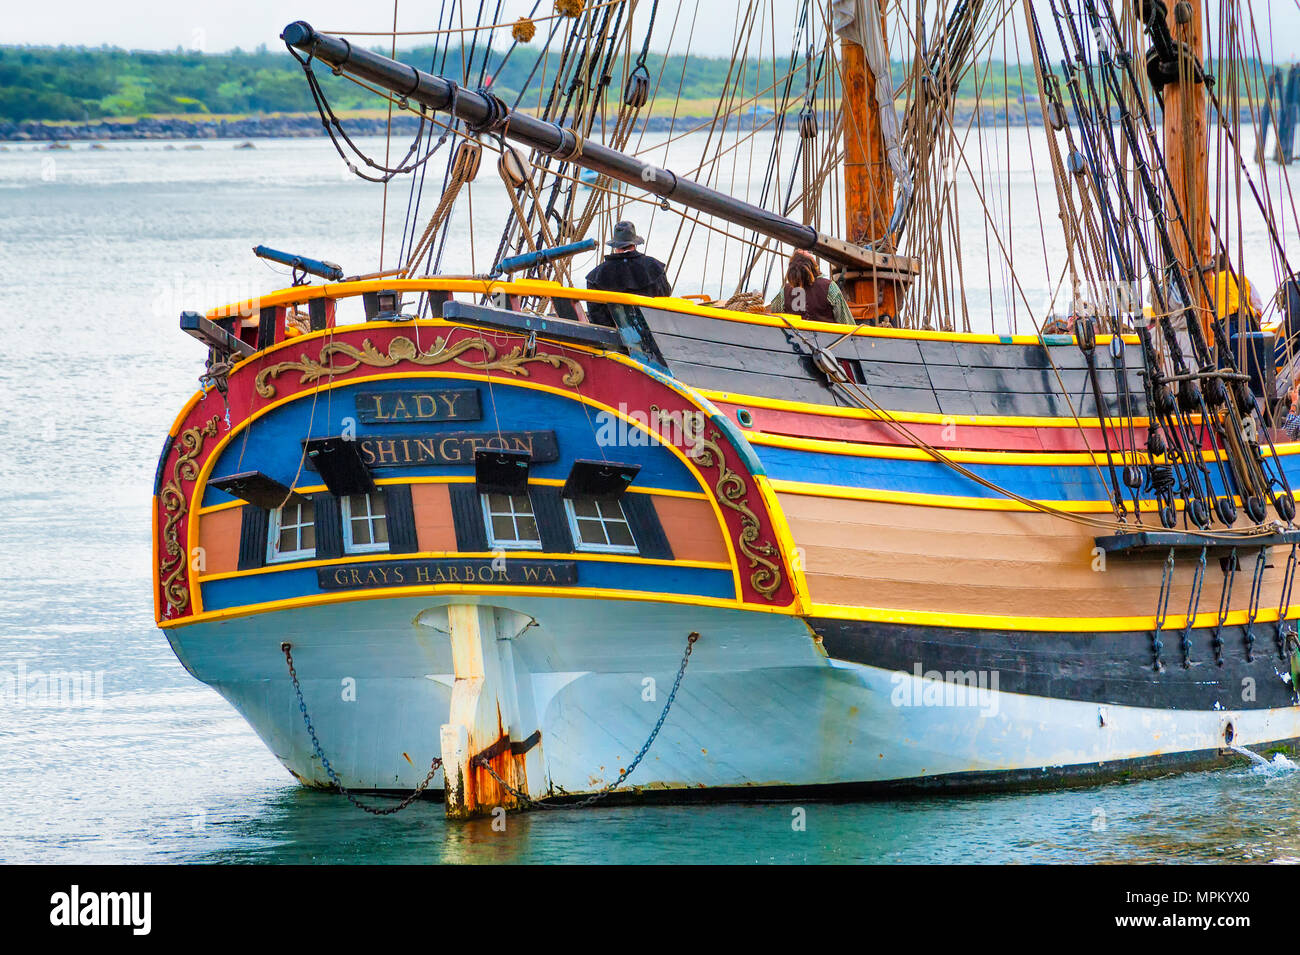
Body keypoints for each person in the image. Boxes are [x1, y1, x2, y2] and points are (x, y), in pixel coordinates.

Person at [585, 220, 672, 326]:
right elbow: (665, 297)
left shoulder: (596, 276)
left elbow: (596, 314)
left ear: (615, 246)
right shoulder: (654, 267)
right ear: (634, 244)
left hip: (613, 336)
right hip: (654, 332)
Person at [768, 250, 854, 324]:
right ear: (813, 266)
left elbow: (774, 312)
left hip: (794, 341)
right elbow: (847, 323)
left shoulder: (785, 291)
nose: (805, 250)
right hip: (828, 341)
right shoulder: (829, 287)